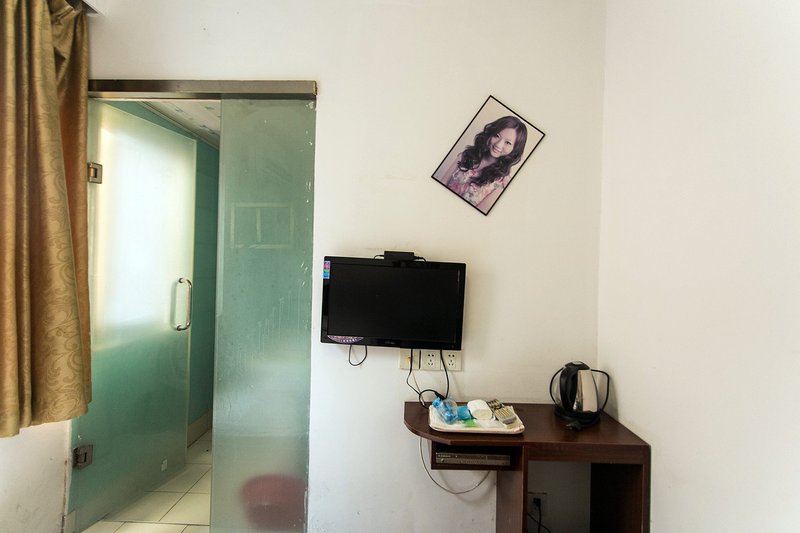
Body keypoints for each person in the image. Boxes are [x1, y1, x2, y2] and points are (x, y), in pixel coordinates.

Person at [438, 115, 528, 213]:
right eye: (497, 136)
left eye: (508, 143)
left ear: (515, 149)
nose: (498, 144)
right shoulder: (466, 155)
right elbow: (442, 183)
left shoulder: (502, 183)